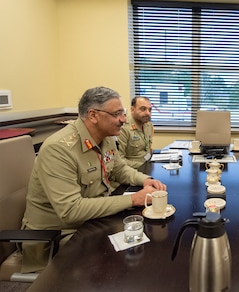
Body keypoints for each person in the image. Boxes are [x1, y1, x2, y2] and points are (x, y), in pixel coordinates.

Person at [21, 87, 166, 272]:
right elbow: (71, 210)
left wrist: (146, 180)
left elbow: (120, 169)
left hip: (91, 221)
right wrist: (133, 199)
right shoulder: (58, 149)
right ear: (93, 115)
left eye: (122, 113)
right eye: (116, 114)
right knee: (122, 265)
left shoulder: (106, 139)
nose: (123, 119)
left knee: (142, 243)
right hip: (60, 234)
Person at [118, 96, 154, 169]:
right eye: (143, 109)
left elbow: (148, 150)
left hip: (148, 164)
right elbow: (119, 160)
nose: (148, 113)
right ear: (132, 109)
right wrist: (142, 166)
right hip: (133, 171)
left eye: (149, 110)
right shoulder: (123, 128)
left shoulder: (148, 125)